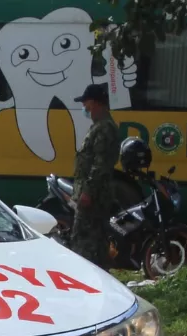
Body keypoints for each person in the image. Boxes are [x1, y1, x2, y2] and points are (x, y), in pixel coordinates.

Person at [70, 83, 120, 269]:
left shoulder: (105, 128)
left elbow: (100, 165)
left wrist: (87, 192)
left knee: (84, 240)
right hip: (94, 193)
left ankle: (84, 275)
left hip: (95, 196)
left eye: (86, 104)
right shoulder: (99, 126)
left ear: (96, 103)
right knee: (96, 240)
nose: (85, 108)